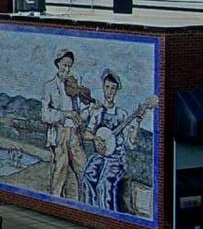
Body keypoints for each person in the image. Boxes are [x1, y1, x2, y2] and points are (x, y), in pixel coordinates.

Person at [82, 70, 155, 213]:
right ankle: (89, 211)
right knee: (88, 176)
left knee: (103, 185)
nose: (109, 91)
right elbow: (86, 133)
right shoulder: (98, 112)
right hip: (100, 156)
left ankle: (107, 216)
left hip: (116, 159)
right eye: (107, 87)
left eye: (113, 88)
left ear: (116, 91)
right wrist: (96, 138)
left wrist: (138, 122)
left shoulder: (122, 114)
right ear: (103, 87)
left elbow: (131, 142)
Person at [41, 49, 92, 201]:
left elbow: (82, 113)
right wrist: (65, 114)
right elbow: (45, 115)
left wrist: (87, 112)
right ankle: (56, 203)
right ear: (57, 65)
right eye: (64, 65)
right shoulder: (49, 86)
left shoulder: (74, 85)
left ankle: (85, 204)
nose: (67, 69)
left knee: (83, 169)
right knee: (60, 172)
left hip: (74, 134)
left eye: (70, 66)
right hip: (59, 134)